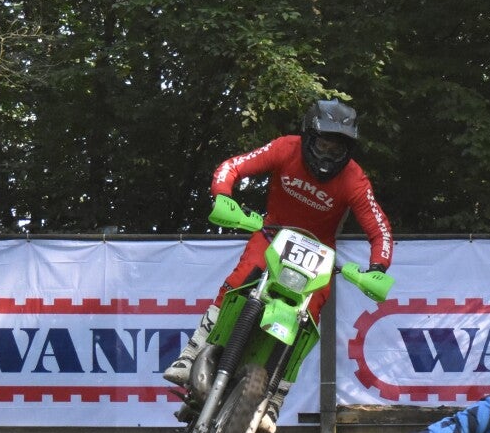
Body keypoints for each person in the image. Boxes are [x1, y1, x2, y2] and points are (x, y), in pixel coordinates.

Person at [162, 100, 395, 398]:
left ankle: (276, 397)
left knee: (309, 316)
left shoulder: (354, 178)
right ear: (309, 137)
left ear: (347, 151)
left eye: (336, 150)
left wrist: (378, 267)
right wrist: (223, 195)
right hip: (273, 233)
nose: (327, 155)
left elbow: (380, 229)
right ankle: (190, 355)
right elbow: (233, 166)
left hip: (318, 253)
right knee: (239, 280)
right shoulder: (285, 148)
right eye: (323, 146)